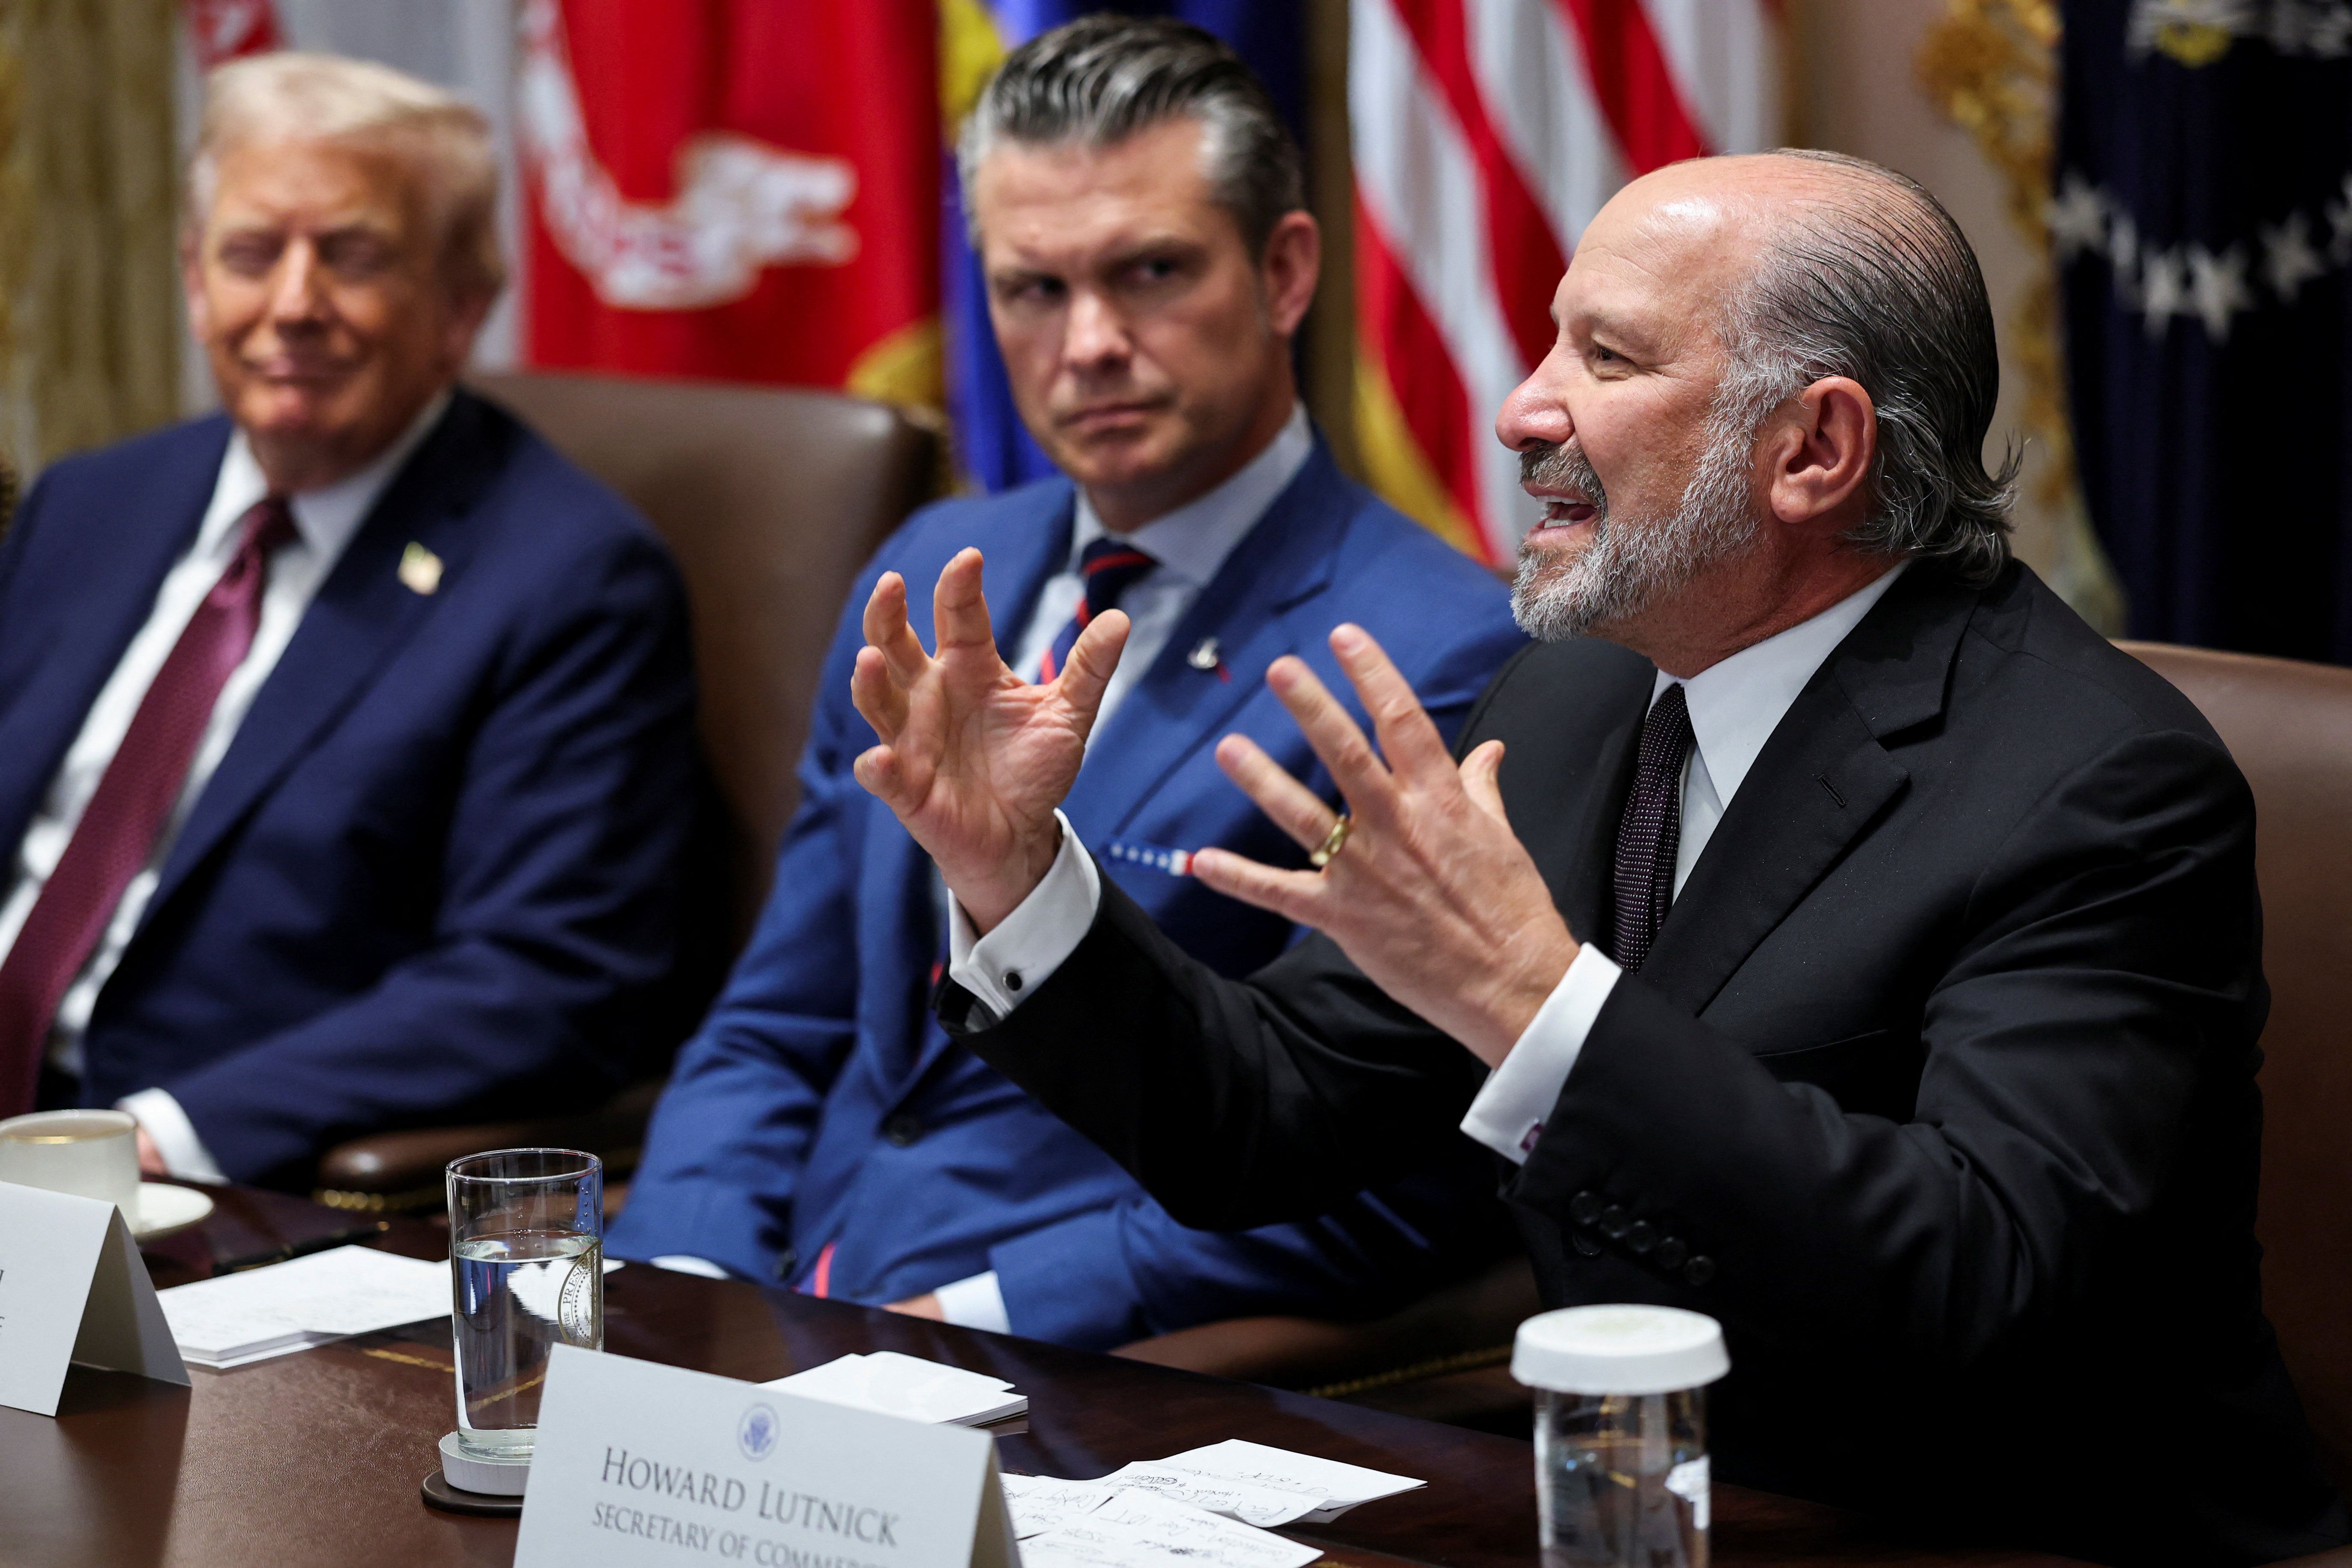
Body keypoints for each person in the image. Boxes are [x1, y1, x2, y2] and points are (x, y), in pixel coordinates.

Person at [851, 150, 2351, 1562]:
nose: (1518, 410)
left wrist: (1540, 1008)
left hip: (2013, 1532)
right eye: (1549, 344)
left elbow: (1988, 1278)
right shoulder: (1576, 689)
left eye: (1606, 360)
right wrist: (1014, 876)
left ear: (1813, 448)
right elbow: (1268, 1121)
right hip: (1643, 1506)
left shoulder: (2095, 782)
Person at [608, 18, 1524, 1348]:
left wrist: (968, 1318)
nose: (1089, 341)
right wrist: (673, 1296)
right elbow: (778, 1021)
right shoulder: (933, 570)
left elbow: (1377, 1172)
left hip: (1065, 1367)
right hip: (780, 1321)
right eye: (1033, 288)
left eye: (1150, 272)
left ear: (1282, 271)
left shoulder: (1432, 653)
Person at [0, 53, 703, 1187]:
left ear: (462, 303)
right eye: (249, 253)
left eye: (352, 255)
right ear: (192, 280)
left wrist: (157, 1138)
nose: (292, 304)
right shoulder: (92, 502)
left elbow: (542, 977)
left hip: (198, 1173)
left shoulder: (572, 580)